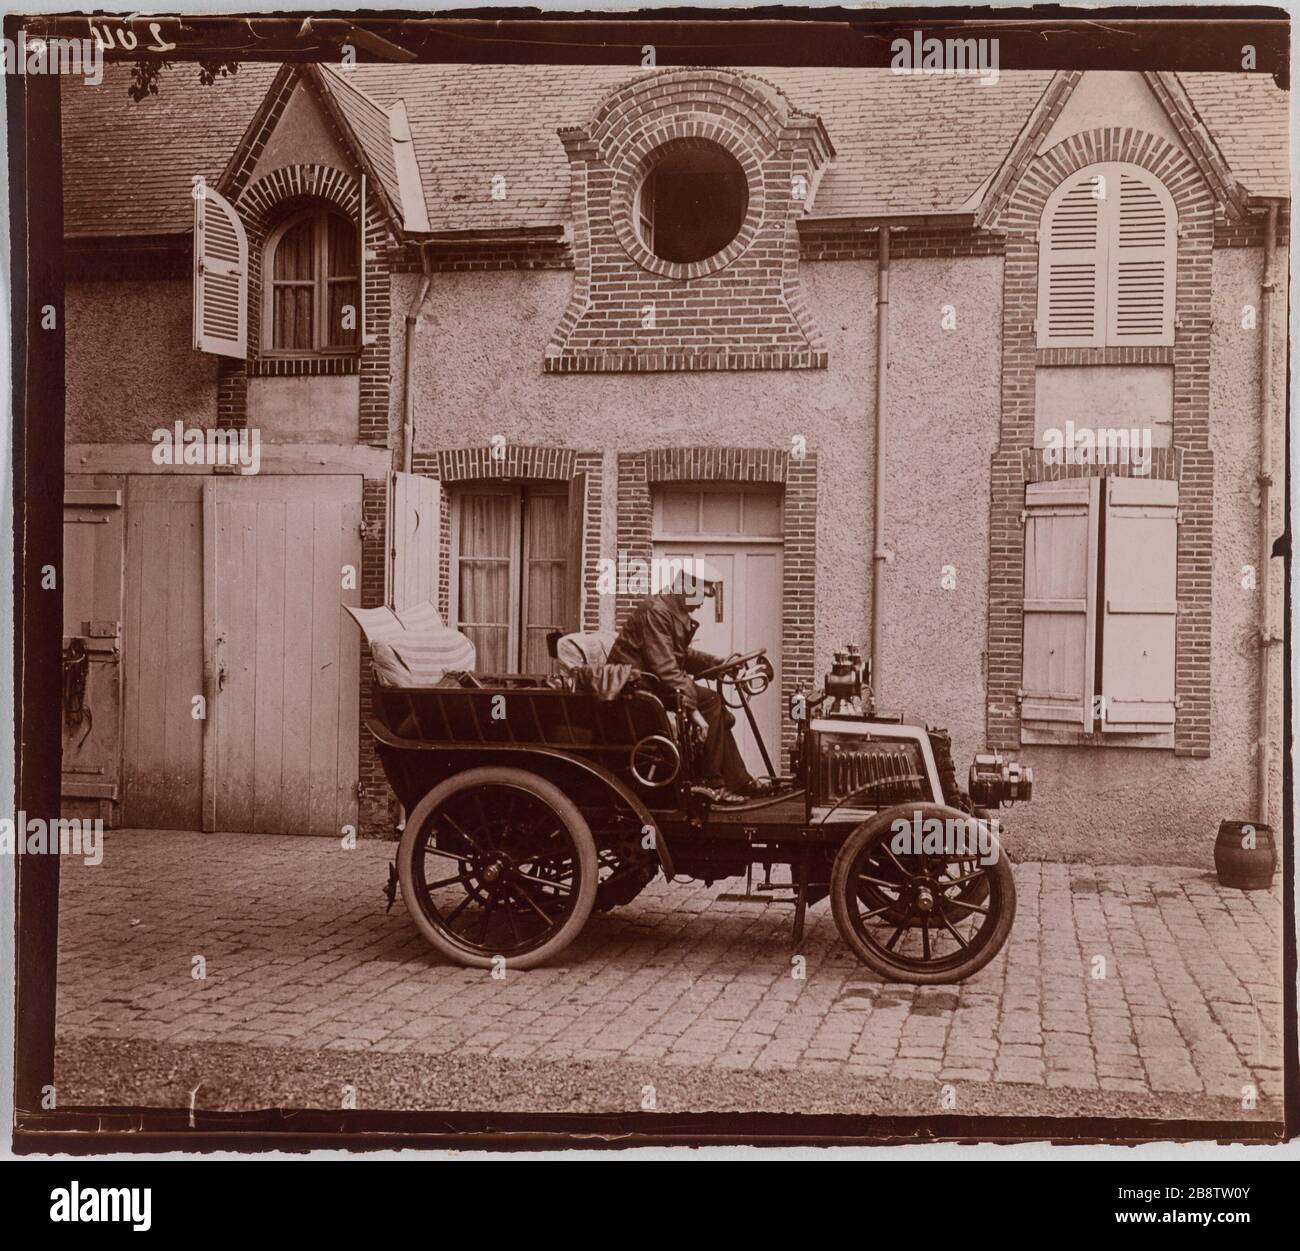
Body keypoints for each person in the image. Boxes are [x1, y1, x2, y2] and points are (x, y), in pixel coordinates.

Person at [608, 559, 763, 804]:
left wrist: (717, 664)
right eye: (701, 594)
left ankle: (737, 780)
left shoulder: (668, 611)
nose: (701, 604)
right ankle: (714, 783)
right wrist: (693, 712)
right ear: (686, 585)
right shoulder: (656, 611)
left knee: (714, 705)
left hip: (650, 684)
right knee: (710, 702)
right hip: (635, 689)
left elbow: (680, 655)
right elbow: (665, 666)